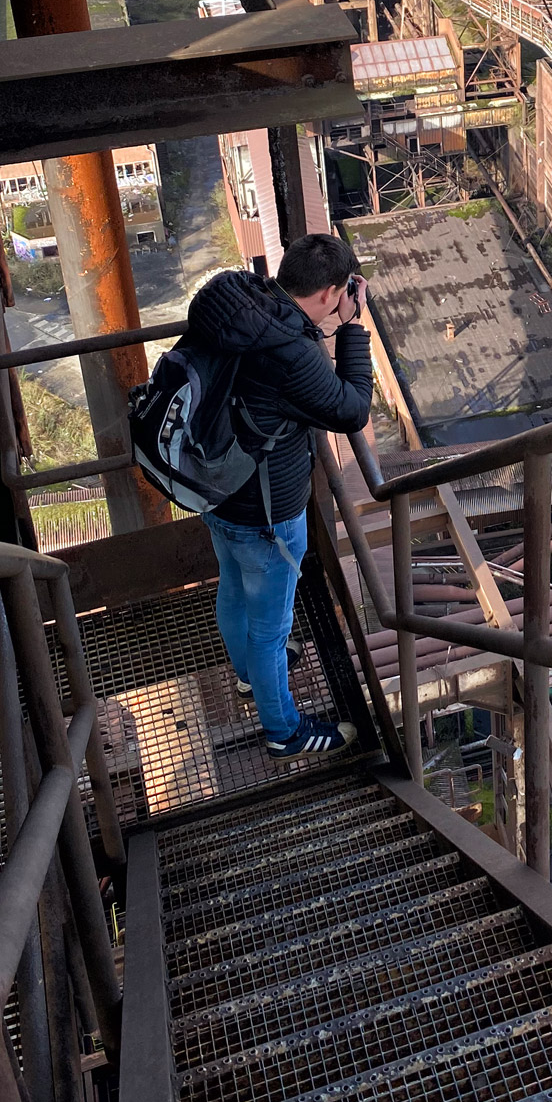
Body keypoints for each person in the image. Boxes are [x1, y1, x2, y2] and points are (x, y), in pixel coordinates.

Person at [186, 234, 372, 760]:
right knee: (272, 632)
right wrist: (352, 327)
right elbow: (350, 409)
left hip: (212, 487)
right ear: (332, 291)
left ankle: (248, 677)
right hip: (265, 515)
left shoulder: (232, 298)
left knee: (233, 588)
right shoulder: (292, 354)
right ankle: (285, 732)